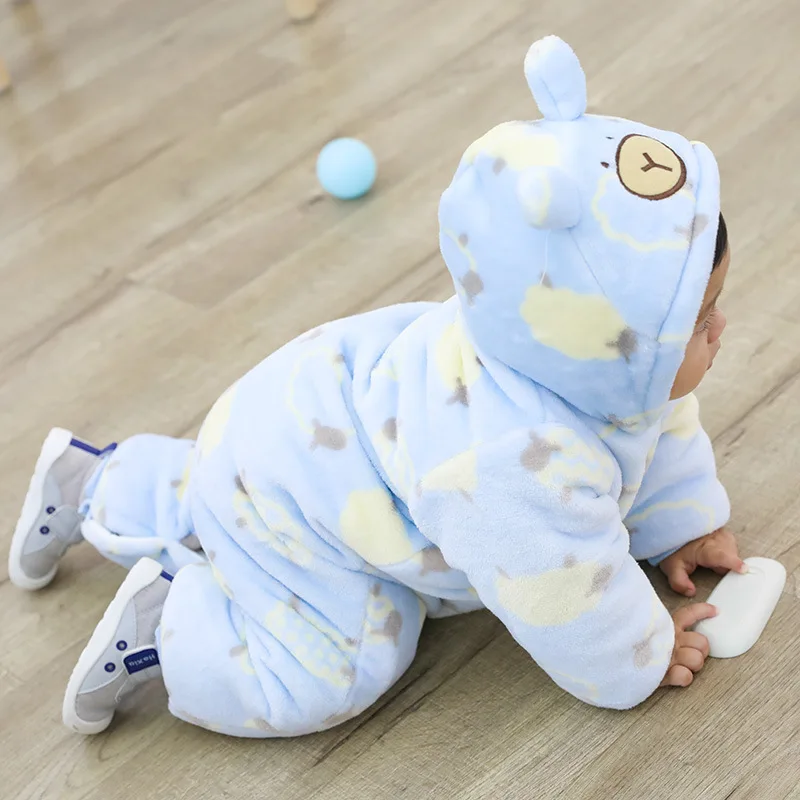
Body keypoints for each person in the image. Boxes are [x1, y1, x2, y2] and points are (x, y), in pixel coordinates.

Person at [8, 35, 744, 737]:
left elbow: (657, 427)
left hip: (290, 422)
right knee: (341, 664)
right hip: (306, 498)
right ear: (601, 339)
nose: (721, 328)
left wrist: (682, 525)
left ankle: (95, 481)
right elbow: (560, 587)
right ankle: (168, 629)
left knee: (227, 489)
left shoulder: (562, 347)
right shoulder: (517, 460)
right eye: (700, 320)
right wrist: (639, 655)